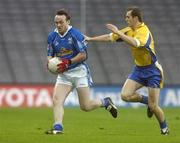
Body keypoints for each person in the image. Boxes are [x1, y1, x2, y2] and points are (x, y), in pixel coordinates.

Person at [85, 6, 169, 135]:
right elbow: (109, 37)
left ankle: (164, 128)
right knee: (125, 96)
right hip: (139, 69)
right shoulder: (129, 30)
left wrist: (119, 33)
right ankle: (146, 100)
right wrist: (90, 39)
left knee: (154, 107)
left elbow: (135, 43)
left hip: (153, 71)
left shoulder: (144, 32)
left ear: (136, 18)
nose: (126, 19)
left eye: (128, 17)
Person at [45, 9, 117, 135]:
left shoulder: (75, 34)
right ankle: (58, 127)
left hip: (79, 73)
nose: (58, 25)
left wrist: (68, 62)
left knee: (85, 106)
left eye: (61, 22)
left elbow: (83, 55)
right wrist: (51, 64)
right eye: (56, 22)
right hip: (64, 75)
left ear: (68, 21)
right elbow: (50, 55)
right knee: (57, 100)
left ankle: (105, 102)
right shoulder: (52, 36)